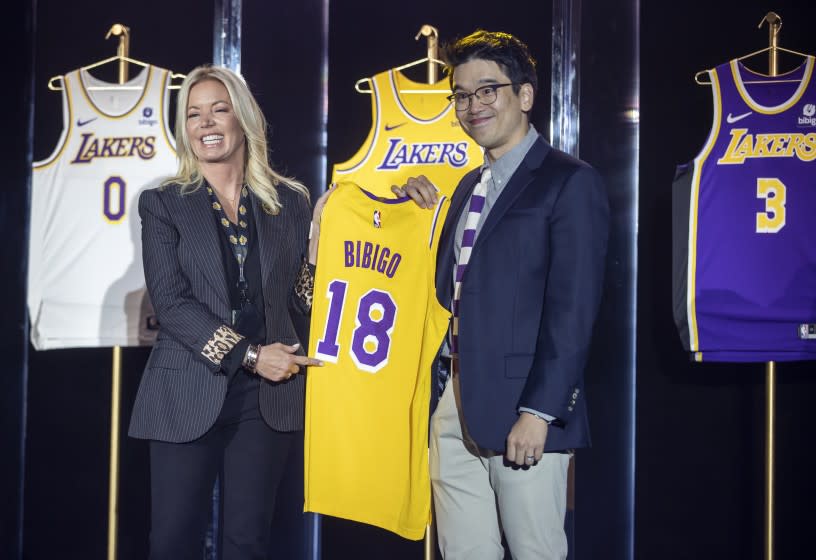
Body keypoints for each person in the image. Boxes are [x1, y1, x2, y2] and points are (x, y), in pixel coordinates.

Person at [393, 30, 609, 559]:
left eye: (488, 90)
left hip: (522, 412)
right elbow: (446, 290)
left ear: (525, 96)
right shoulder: (467, 186)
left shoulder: (568, 181)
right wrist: (408, 214)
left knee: (536, 551)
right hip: (452, 405)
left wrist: (540, 411)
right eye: (462, 95)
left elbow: (573, 310)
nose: (473, 106)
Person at [128, 64, 326, 559]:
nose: (206, 123)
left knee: (247, 542)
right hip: (186, 388)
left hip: (267, 400)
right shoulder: (163, 203)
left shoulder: (290, 201)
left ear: (244, 119)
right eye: (193, 114)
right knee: (172, 542)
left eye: (219, 109)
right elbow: (172, 304)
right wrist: (252, 355)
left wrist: (316, 255)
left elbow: (298, 304)